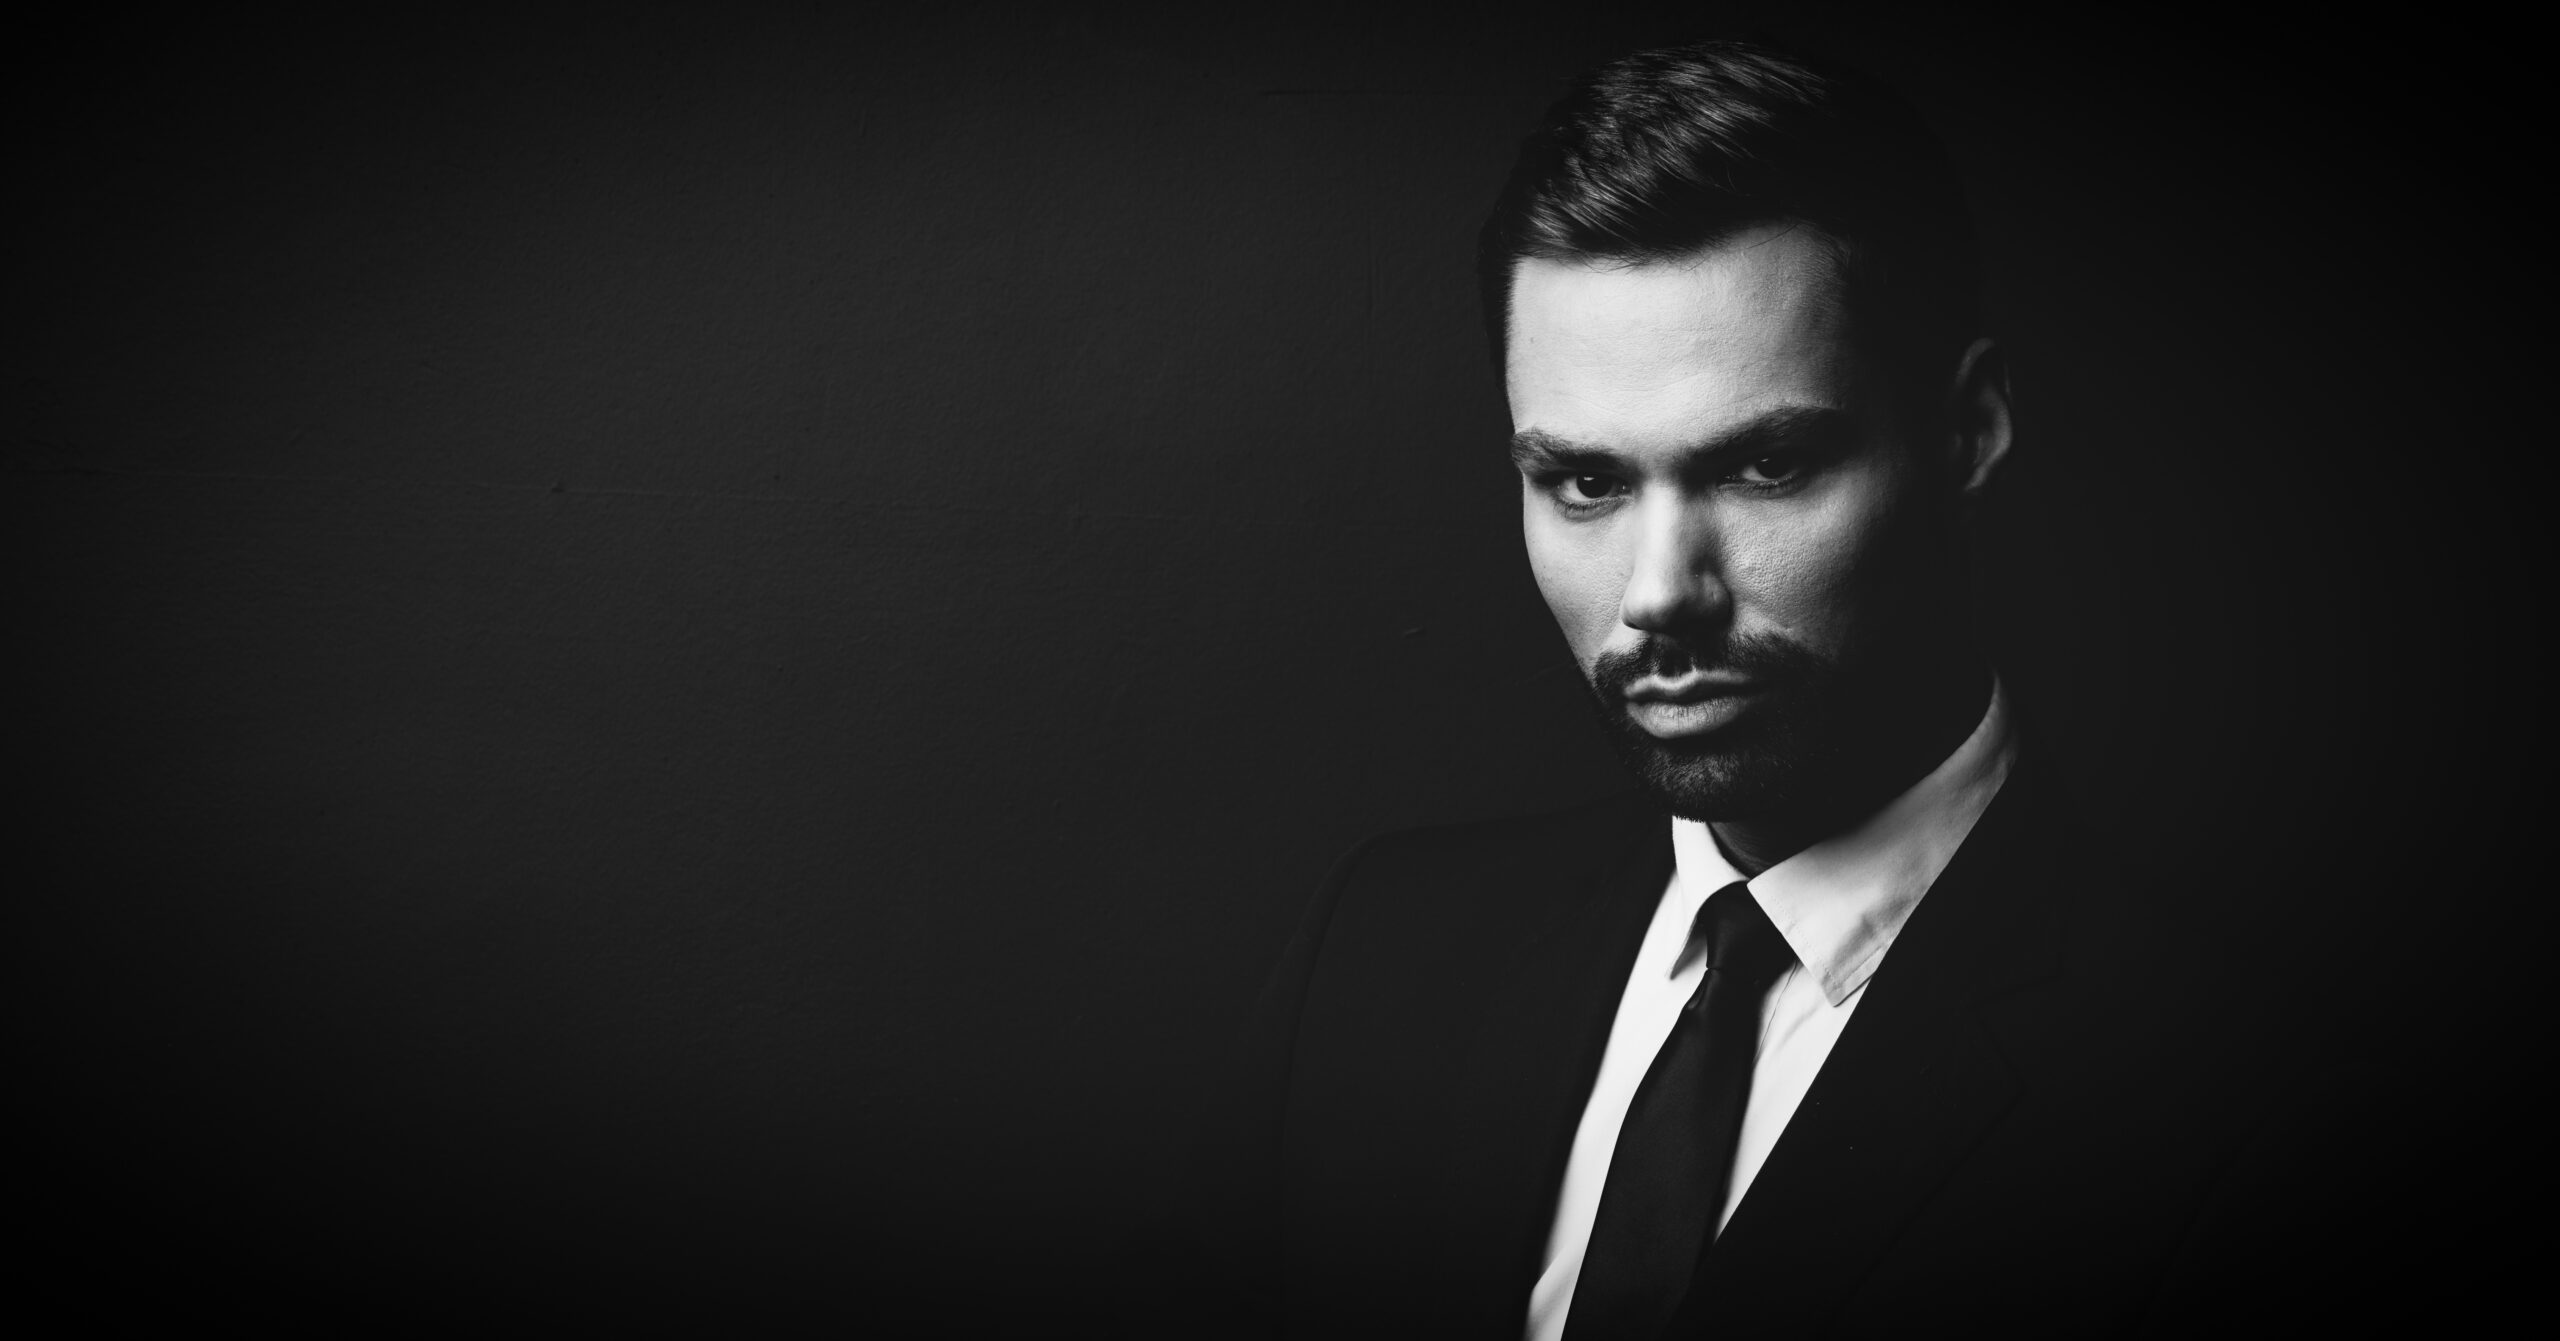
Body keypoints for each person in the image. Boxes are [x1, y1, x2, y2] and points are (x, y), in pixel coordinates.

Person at [1144, 39, 2358, 1338]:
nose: (1662, 590)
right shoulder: (1376, 960)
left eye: (1768, 464)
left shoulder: (2235, 1116)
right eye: (1587, 483)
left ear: (1968, 432)